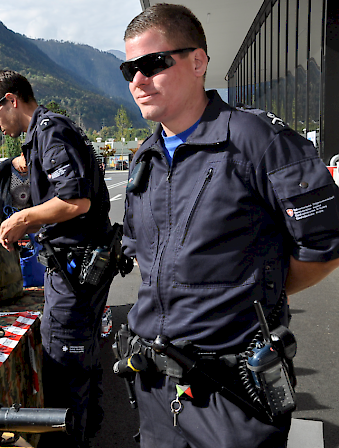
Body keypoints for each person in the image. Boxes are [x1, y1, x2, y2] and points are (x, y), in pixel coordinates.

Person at [120, 4, 339, 447]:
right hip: (157, 391)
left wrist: (253, 289)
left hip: (231, 396)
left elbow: (323, 246)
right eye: (129, 69)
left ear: (198, 62)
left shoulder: (255, 141)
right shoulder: (145, 158)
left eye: (152, 64)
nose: (138, 81)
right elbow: (143, 255)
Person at [0, 70, 113, 448]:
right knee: (79, 359)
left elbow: (76, 200)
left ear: (12, 100)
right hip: (74, 265)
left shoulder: (50, 131)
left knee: (63, 366)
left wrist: (22, 218)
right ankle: (90, 424)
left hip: (75, 271)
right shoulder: (44, 133)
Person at [0, 152, 32, 221]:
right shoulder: (4, 168)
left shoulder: (36, 169)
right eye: (26, 164)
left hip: (29, 217)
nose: (27, 167)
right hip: (8, 217)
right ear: (22, 155)